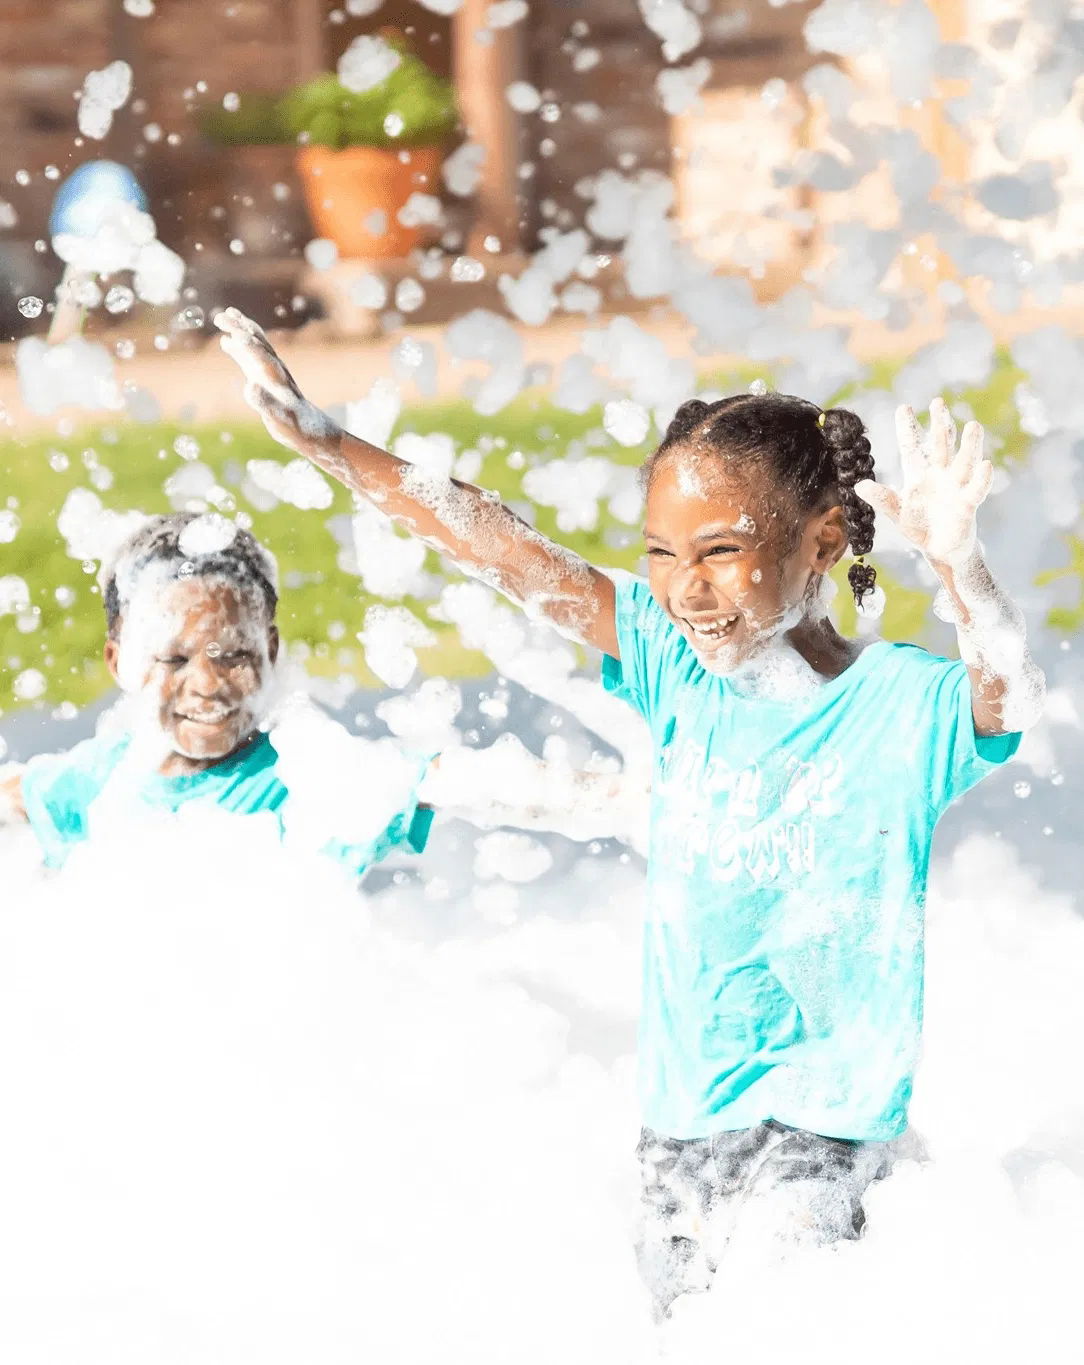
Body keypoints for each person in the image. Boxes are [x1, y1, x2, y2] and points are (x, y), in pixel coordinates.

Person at [214, 307, 1045, 1318]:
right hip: (681, 1127)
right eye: (661, 553)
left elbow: (1005, 696)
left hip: (833, 1126)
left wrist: (961, 569)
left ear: (823, 540)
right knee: (680, 1324)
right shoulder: (672, 667)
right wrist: (329, 443)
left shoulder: (896, 705)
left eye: (722, 550)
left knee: (775, 1316)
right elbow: (503, 549)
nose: (684, 589)